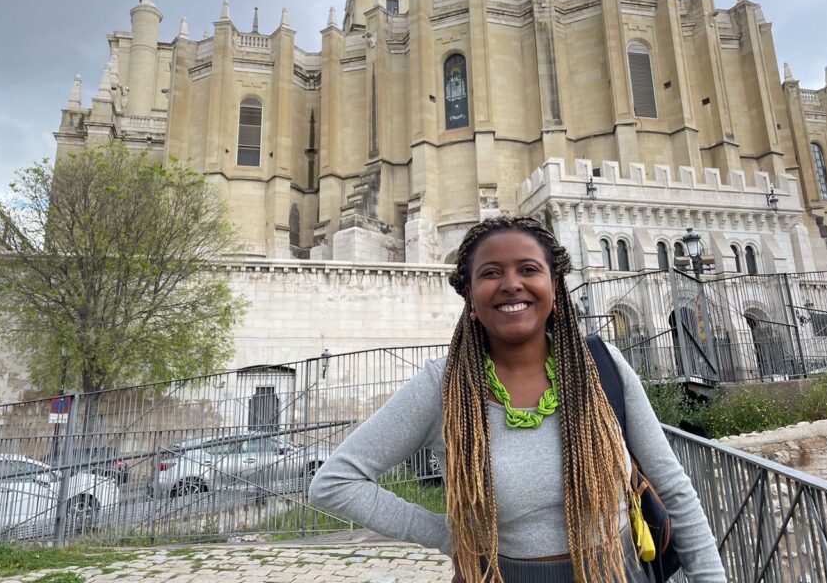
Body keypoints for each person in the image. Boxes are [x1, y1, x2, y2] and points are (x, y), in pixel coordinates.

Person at [309, 216, 726, 582]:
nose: (511, 284)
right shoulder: (445, 386)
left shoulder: (603, 367)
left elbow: (674, 490)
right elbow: (334, 483)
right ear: (470, 295)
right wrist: (451, 536)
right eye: (491, 273)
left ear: (554, 287)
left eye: (528, 269)